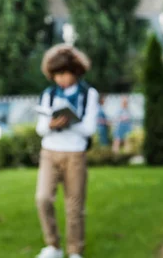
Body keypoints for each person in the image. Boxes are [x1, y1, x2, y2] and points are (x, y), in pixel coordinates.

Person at [34, 44, 99, 258]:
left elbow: (89, 128)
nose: (61, 79)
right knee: (43, 198)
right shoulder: (49, 94)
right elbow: (40, 128)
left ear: (76, 71)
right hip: (50, 152)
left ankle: (74, 250)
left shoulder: (88, 94)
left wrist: (69, 122)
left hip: (75, 154)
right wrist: (51, 125)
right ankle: (53, 245)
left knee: (74, 205)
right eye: (56, 75)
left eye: (64, 73)